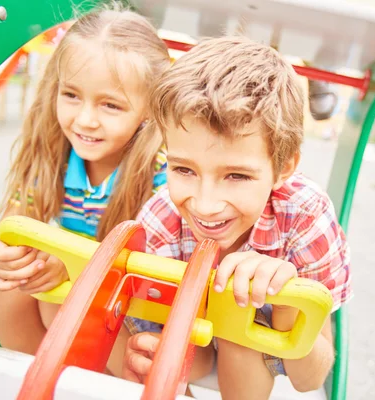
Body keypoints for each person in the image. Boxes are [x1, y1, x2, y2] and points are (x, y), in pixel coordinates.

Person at [121, 36, 352, 398]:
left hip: (251, 355)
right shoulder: (161, 218)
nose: (205, 204)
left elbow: (309, 379)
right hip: (189, 341)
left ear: (283, 167)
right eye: (183, 169)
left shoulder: (307, 217)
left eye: (237, 176)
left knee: (239, 322)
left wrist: (288, 299)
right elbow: (181, 357)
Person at [0, 4, 169, 376]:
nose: (84, 120)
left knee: (67, 302)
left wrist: (72, 268)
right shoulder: (54, 153)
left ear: (149, 109)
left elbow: (159, 279)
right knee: (5, 287)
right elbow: (17, 223)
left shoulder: (162, 175)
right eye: (71, 96)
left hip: (133, 311)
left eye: (111, 105)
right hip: (67, 307)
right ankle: (40, 378)